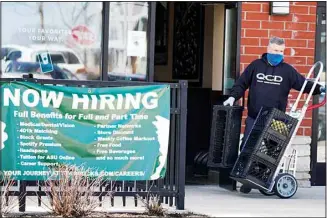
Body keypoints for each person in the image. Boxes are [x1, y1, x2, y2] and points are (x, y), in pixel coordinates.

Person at [223, 36, 326, 194]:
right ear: (268, 49)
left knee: (271, 152)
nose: (277, 54)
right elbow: (241, 83)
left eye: (281, 51)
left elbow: (303, 84)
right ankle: (246, 180)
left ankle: (263, 178)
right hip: (255, 116)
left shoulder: (287, 70)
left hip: (276, 118)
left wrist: (321, 89)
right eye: (275, 50)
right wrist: (232, 97)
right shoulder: (256, 66)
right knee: (248, 148)